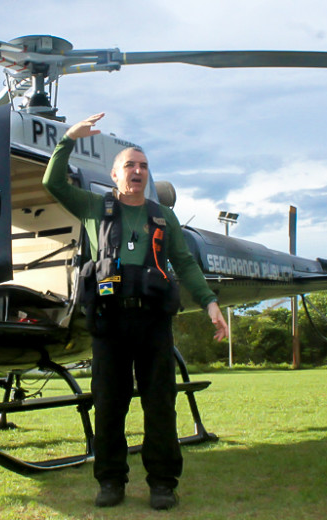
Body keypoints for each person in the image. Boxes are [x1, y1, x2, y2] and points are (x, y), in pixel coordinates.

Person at [42, 113, 228, 510]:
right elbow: (52, 183)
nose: (138, 171)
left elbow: (185, 262)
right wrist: (69, 138)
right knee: (109, 403)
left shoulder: (163, 217)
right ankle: (110, 481)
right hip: (109, 322)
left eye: (143, 166)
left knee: (160, 404)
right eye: (130, 165)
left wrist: (209, 301)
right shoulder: (93, 207)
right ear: (115, 175)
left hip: (153, 322)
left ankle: (162, 484)